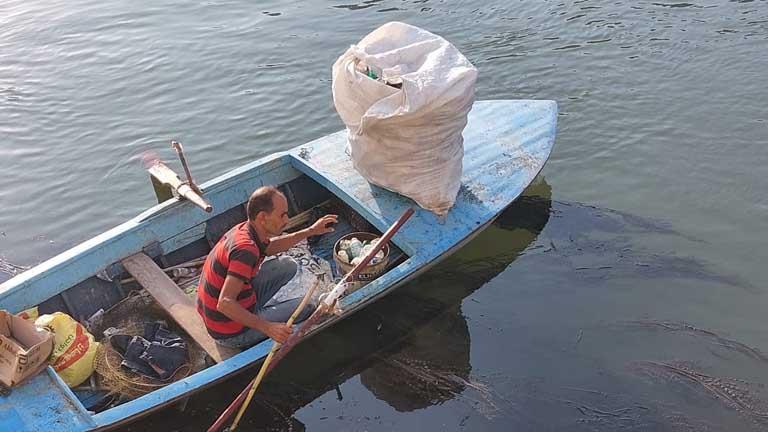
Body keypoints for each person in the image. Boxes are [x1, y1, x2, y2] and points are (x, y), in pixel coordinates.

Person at [196, 186, 337, 348]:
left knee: (287, 265)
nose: (287, 220)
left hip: (225, 309)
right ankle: (258, 322)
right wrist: (267, 327)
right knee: (308, 305)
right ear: (262, 217)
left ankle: (260, 312)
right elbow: (225, 303)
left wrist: (310, 231)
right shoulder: (245, 250)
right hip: (229, 331)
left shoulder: (246, 229)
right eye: (282, 215)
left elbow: (270, 247)